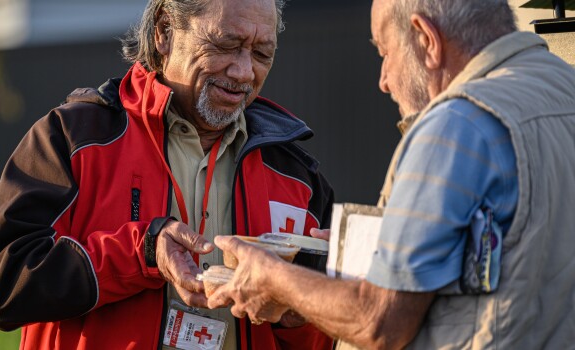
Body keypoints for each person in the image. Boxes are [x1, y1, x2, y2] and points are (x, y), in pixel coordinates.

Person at [208, 0, 575, 348]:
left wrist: (273, 280)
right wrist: (383, 245)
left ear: (426, 40)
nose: (383, 80)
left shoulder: (455, 124)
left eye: (385, 52)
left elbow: (379, 322)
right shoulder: (565, 87)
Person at [0, 0, 335, 349]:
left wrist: (300, 316)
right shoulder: (73, 138)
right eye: (226, 44)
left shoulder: (297, 176)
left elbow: (327, 338)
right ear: (165, 31)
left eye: (261, 54)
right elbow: (2, 286)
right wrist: (144, 251)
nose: (243, 71)